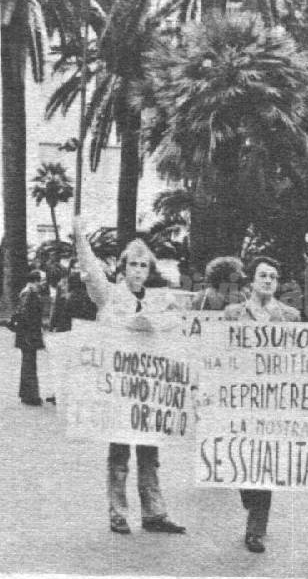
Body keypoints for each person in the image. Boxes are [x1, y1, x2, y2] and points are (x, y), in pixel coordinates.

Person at [74, 217, 185, 535]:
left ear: (149, 271)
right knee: (119, 455)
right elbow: (90, 272)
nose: (138, 270)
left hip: (149, 395)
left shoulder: (158, 302)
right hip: (119, 392)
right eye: (133, 264)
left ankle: (154, 513)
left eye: (143, 266)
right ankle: (118, 512)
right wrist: (80, 238)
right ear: (123, 267)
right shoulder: (108, 296)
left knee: (150, 455)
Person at [224, 256, 300, 554]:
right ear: (252, 281)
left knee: (265, 465)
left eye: (273, 276)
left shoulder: (291, 316)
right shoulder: (233, 314)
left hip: (274, 403)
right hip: (241, 401)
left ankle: (255, 529)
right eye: (263, 275)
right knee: (244, 464)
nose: (268, 280)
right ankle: (249, 497)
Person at [15, 270, 45, 406]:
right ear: (36, 280)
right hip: (28, 335)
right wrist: (30, 333)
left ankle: (26, 393)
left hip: (27, 334)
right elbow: (25, 314)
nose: (43, 283)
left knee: (28, 364)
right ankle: (30, 396)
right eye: (42, 280)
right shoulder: (29, 293)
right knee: (29, 364)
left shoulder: (29, 292)